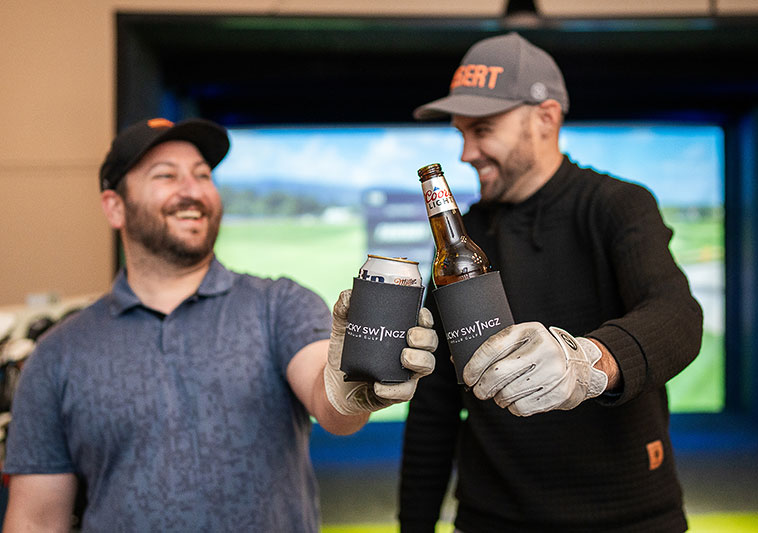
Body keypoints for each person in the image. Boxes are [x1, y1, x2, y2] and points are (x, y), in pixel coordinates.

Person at [1, 117, 438, 532]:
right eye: (166, 176)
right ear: (115, 207)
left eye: (203, 175)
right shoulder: (59, 353)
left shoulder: (278, 304)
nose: (192, 190)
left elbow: (331, 405)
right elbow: (36, 519)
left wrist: (351, 392)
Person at [400, 32, 703, 533]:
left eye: (482, 129)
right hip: (491, 519)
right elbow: (434, 411)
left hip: (628, 516)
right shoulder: (463, 242)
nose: (466, 152)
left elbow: (676, 315)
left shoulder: (615, 206)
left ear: (546, 118)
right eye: (460, 133)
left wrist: (588, 362)